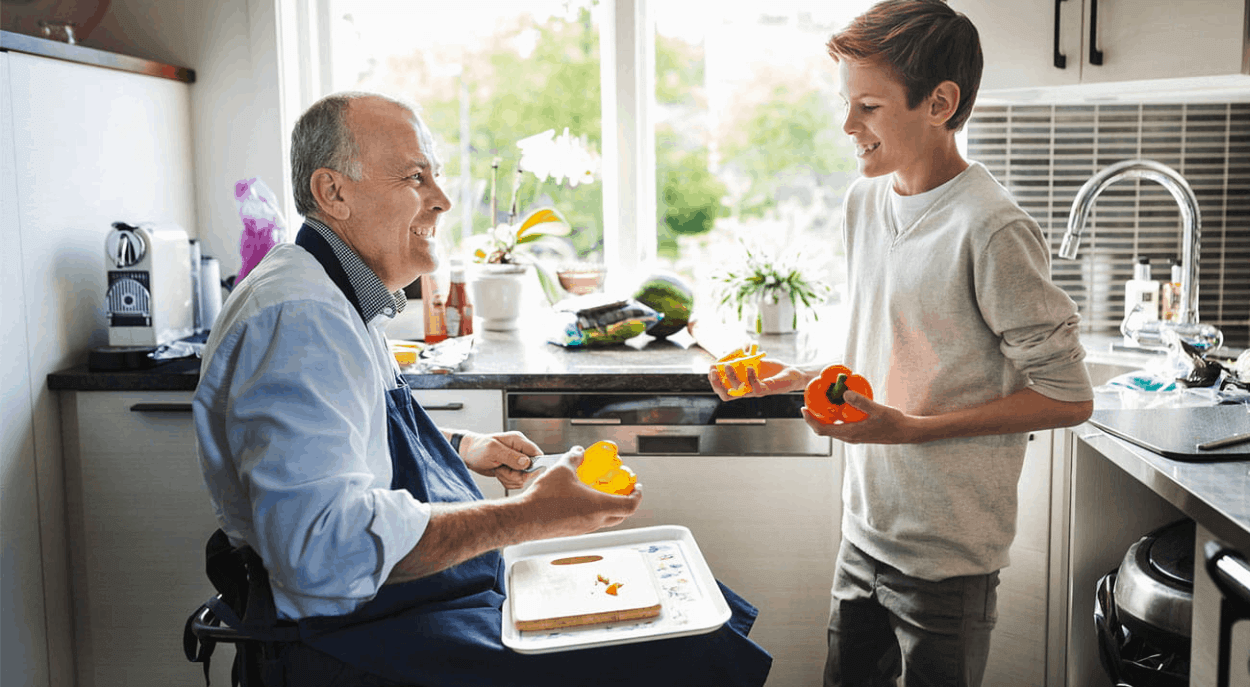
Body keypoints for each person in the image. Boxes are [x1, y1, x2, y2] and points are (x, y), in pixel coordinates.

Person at [189, 91, 772, 687]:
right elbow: (323, 552)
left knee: (695, 615)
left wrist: (463, 445)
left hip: (406, 609)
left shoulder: (332, 296)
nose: (441, 200)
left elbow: (343, 440)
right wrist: (525, 516)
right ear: (333, 192)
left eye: (435, 176)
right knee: (684, 652)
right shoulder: (301, 319)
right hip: (355, 644)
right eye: (416, 177)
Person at [709, 2, 1094, 686]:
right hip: (863, 532)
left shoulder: (991, 228)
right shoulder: (867, 201)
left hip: (949, 561)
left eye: (868, 106)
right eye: (845, 103)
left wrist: (911, 430)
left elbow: (1068, 397)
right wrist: (790, 375)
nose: (848, 126)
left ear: (940, 103)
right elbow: (887, 349)